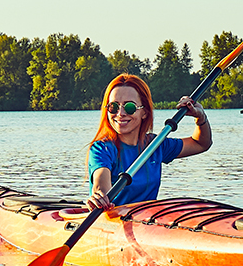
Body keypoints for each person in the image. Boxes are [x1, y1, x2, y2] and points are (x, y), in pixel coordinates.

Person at [85, 74, 210, 210]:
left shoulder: (155, 145)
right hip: (113, 220)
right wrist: (100, 196)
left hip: (146, 222)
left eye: (129, 107)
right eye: (113, 107)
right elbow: (101, 183)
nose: (120, 113)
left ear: (144, 112)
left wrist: (200, 117)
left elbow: (201, 144)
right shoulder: (102, 149)